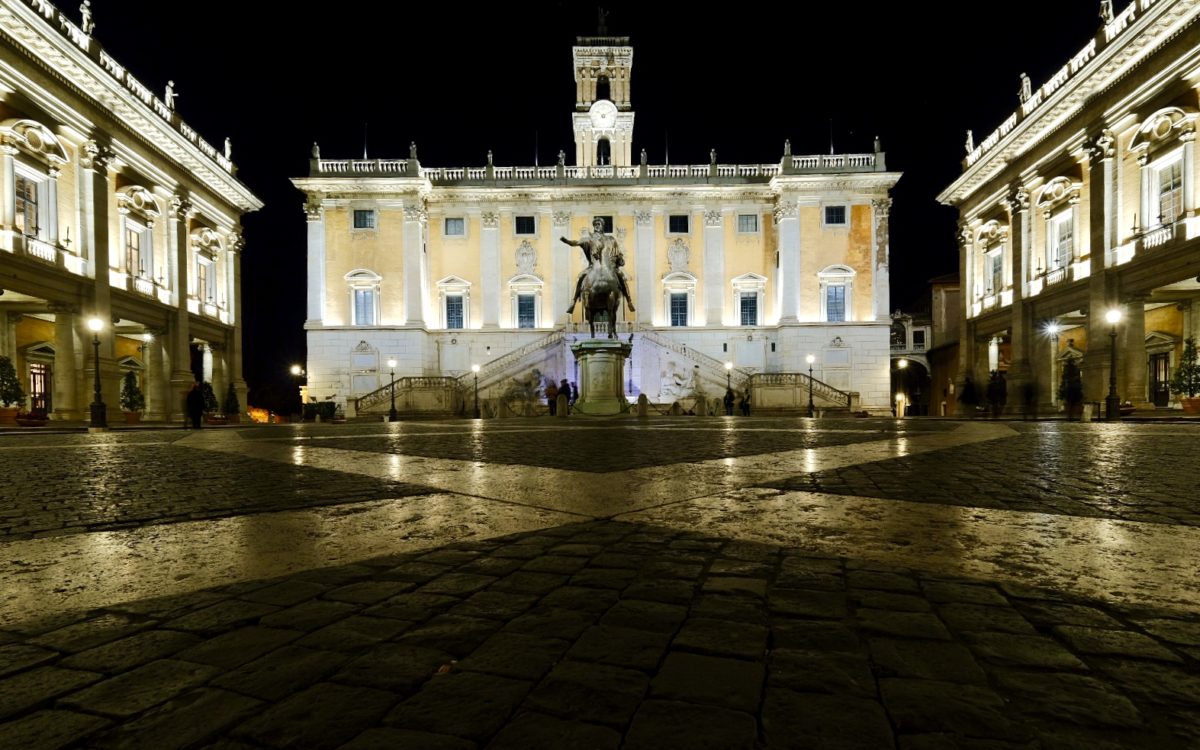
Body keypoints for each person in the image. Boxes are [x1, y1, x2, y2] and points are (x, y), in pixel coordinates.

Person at [561, 217, 635, 314]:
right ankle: (573, 302)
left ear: (602, 226)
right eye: (595, 224)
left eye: (598, 224)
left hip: (610, 267)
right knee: (580, 277)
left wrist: (620, 259)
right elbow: (577, 242)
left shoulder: (611, 239)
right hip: (593, 266)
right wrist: (567, 241)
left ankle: (629, 301)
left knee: (622, 277)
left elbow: (618, 253)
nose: (596, 226)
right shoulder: (589, 239)